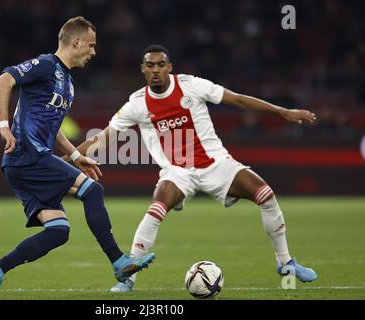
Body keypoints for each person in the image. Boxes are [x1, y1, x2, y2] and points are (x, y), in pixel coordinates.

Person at [76, 45, 318, 292]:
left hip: (216, 164)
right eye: (150, 66)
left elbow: (237, 99)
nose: (156, 70)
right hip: (177, 172)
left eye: (161, 65)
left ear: (169, 67)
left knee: (265, 195)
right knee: (157, 207)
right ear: (143, 70)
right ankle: (129, 278)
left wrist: (283, 111)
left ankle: (285, 262)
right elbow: (103, 138)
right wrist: (71, 155)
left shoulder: (191, 85)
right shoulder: (137, 103)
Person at [0, 17, 154, 300]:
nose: (94, 52)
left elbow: (53, 130)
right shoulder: (45, 65)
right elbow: (2, 82)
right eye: (92, 45)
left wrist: (75, 155)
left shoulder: (67, 84)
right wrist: (4, 127)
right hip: (27, 154)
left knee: (58, 231)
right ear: (77, 41)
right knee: (92, 191)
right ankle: (119, 263)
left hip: (25, 163)